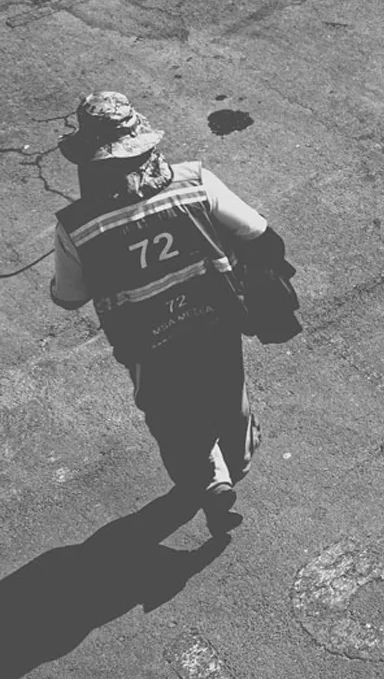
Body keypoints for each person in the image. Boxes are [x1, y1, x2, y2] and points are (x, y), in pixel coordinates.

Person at [49, 92, 281, 534]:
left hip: (145, 340)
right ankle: (232, 463)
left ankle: (207, 478)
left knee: (170, 414)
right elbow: (256, 231)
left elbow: (70, 295)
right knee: (228, 393)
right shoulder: (194, 181)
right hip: (214, 320)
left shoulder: (76, 226)